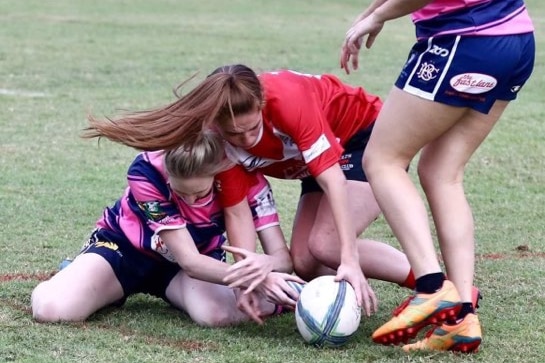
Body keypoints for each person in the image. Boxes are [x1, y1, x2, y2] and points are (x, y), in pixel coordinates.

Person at [82, 65, 420, 317]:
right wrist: (246, 280)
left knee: (326, 245)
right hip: (315, 164)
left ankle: (433, 286)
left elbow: (332, 179)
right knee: (304, 260)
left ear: (262, 103)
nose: (245, 141)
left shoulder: (289, 100)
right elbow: (236, 209)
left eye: (252, 129)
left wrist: (349, 259)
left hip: (364, 139)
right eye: (234, 134)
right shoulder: (218, 142)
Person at [341, 0, 535, 353]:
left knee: (383, 159)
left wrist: (381, 15)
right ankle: (461, 317)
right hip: (515, 38)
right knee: (442, 172)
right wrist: (371, 13)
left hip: (466, 39)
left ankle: (432, 287)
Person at [31, 132, 301, 326]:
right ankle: (78, 275)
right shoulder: (146, 171)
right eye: (180, 192)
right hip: (125, 252)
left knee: (215, 315)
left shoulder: (249, 184)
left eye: (200, 193)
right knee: (52, 309)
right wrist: (251, 278)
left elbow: (282, 258)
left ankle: (303, 297)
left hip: (184, 272)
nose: (189, 201)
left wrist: (263, 267)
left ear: (217, 171)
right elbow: (190, 260)